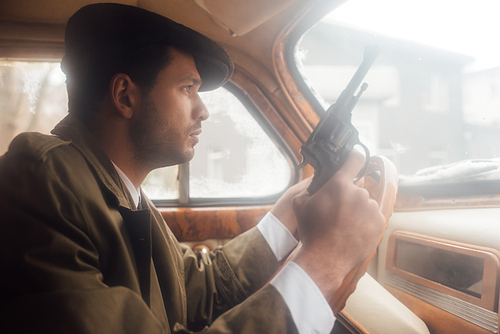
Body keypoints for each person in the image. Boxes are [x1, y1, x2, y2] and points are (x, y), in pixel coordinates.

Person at [0, 3, 385, 333]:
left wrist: (288, 213)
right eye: (187, 88)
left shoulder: (119, 189)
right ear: (124, 96)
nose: (203, 110)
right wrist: (323, 264)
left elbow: (193, 289)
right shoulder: (39, 178)